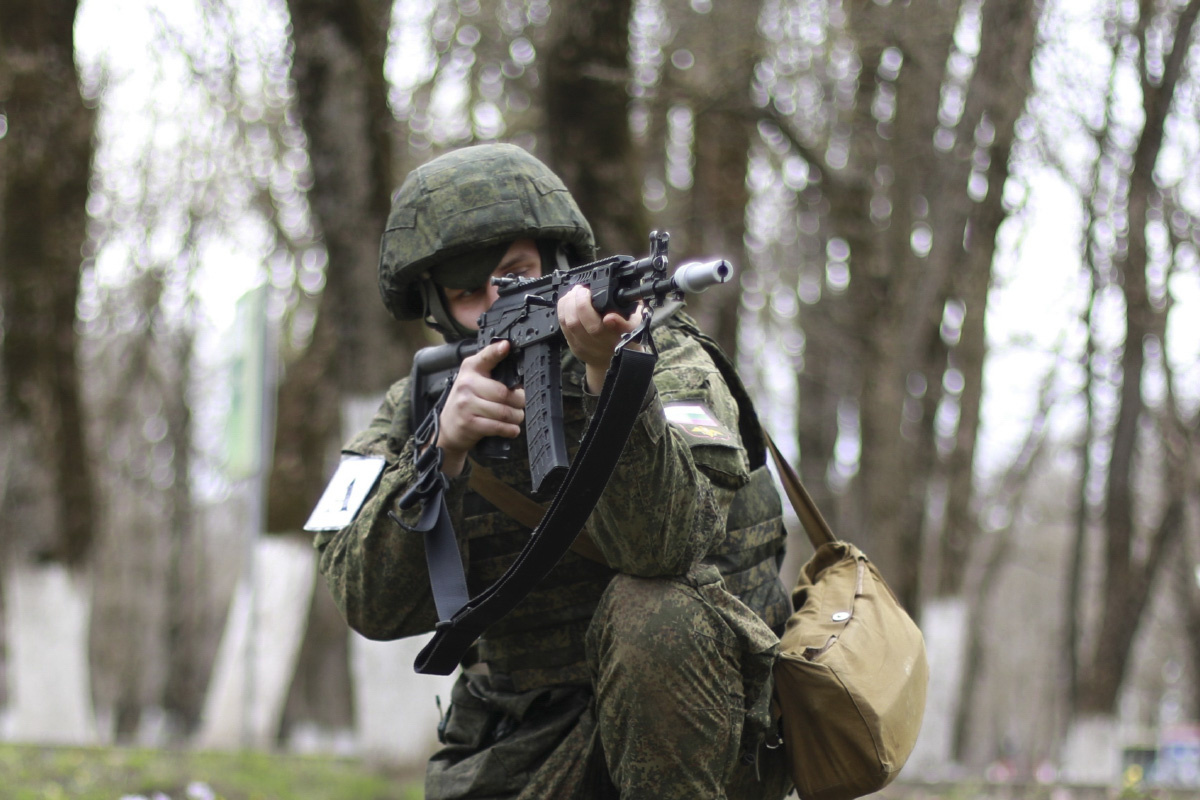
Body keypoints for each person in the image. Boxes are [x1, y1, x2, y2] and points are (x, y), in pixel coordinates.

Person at [311, 143, 794, 799]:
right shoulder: (419, 408)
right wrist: (441, 454)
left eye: (515, 274)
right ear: (433, 305)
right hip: (524, 744)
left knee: (655, 611)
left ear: (558, 260)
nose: (494, 302)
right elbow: (366, 600)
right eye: (466, 293)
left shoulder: (669, 361)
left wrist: (611, 377)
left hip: (699, 736)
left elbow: (665, 546)